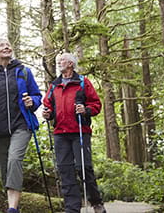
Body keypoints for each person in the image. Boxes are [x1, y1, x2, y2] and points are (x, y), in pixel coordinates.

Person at [0, 38, 42, 213]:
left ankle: (12, 209)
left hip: (21, 125)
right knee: (5, 168)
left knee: (14, 159)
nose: (6, 47)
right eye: (1, 45)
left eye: (8, 45)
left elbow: (37, 96)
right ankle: (16, 207)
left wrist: (32, 101)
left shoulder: (23, 71)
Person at [42, 53, 106, 213]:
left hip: (80, 131)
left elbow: (96, 104)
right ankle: (72, 208)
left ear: (71, 63)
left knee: (83, 168)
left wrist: (86, 110)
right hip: (60, 133)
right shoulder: (54, 85)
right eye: (57, 61)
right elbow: (47, 104)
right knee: (65, 170)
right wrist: (47, 113)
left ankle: (96, 202)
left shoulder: (83, 82)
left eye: (62, 60)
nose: (58, 63)